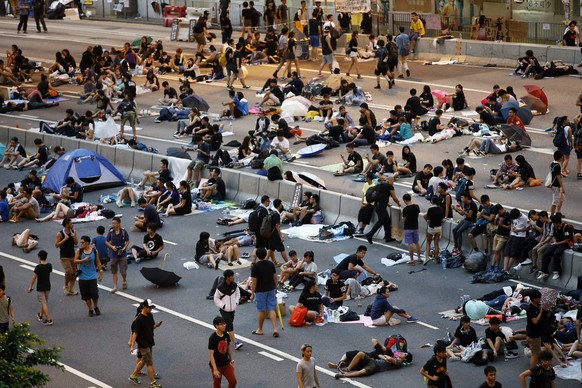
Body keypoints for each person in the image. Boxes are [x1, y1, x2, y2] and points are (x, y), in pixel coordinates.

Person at [128, 299, 162, 388]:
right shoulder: (138, 319)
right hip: (143, 344)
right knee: (149, 363)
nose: (150, 309)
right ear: (144, 307)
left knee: (143, 360)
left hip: (150, 341)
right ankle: (153, 382)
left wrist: (156, 326)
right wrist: (132, 345)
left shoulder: (150, 315)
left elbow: (151, 327)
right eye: (149, 307)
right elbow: (135, 333)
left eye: (151, 307)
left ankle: (133, 375)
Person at [250, 247, 279, 337]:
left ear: (257, 256)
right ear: (266, 254)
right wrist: (276, 286)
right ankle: (275, 328)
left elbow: (254, 281)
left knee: (261, 310)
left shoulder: (255, 267)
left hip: (260, 291)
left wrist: (252, 293)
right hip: (271, 288)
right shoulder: (270, 264)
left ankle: (260, 329)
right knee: (271, 309)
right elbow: (275, 277)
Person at [214, 269, 243, 351]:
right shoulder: (220, 288)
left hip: (232, 309)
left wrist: (236, 302)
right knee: (230, 325)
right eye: (232, 276)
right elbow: (216, 298)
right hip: (224, 310)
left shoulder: (234, 285)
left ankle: (223, 338)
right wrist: (223, 306)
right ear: (228, 278)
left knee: (227, 326)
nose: (233, 277)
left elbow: (238, 294)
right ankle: (236, 343)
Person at [73, 235, 103, 317]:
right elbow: (75, 261)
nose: (81, 244)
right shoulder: (79, 251)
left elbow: (98, 262)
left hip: (92, 275)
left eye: (82, 242)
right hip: (82, 276)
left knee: (94, 293)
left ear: (87, 242)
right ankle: (90, 309)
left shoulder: (94, 251)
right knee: (86, 295)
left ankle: (95, 306)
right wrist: (83, 260)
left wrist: (100, 272)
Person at [366, 178, 401, 244]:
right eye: (393, 181)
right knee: (381, 221)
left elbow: (380, 196)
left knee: (387, 221)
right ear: (390, 181)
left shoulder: (381, 185)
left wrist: (387, 203)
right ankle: (370, 234)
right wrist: (398, 203)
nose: (393, 183)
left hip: (377, 206)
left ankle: (388, 237)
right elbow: (394, 197)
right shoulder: (389, 186)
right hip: (381, 207)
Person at [208, 315, 237, 388]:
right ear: (216, 326)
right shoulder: (213, 338)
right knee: (217, 384)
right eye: (221, 324)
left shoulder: (226, 335)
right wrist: (215, 369)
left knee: (233, 381)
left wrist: (231, 360)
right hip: (217, 366)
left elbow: (228, 347)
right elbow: (211, 354)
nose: (224, 325)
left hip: (226, 364)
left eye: (224, 324)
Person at [27, 250, 53, 326]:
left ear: (39, 257)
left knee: (43, 303)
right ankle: (40, 315)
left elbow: (34, 278)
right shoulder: (49, 265)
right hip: (48, 286)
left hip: (40, 287)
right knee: (44, 302)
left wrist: (30, 287)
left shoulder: (38, 267)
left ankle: (49, 319)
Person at [105, 217, 130, 293]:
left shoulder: (123, 232)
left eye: (115, 223)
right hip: (113, 254)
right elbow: (106, 242)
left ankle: (124, 280)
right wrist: (112, 247)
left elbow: (127, 241)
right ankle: (115, 286)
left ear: (119, 223)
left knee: (123, 271)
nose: (113, 225)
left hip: (122, 254)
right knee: (114, 271)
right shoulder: (111, 232)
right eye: (112, 223)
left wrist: (124, 248)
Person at [55, 217, 78, 295]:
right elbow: (56, 245)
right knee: (69, 272)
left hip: (73, 255)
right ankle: (65, 285)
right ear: (66, 225)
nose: (72, 224)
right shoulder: (60, 233)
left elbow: (76, 243)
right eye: (71, 223)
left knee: (74, 273)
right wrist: (65, 239)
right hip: (64, 256)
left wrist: (74, 236)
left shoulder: (73, 231)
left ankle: (71, 289)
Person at [452, 191, 478, 256]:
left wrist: (461, 210)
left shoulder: (472, 204)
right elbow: (463, 214)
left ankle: (459, 249)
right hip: (466, 219)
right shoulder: (465, 203)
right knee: (454, 230)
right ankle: (455, 246)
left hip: (471, 221)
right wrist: (456, 210)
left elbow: (469, 215)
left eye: (462, 197)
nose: (461, 199)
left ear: (466, 197)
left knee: (459, 231)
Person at [402, 194, 422, 265]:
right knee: (416, 242)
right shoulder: (416, 207)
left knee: (410, 244)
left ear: (404, 200)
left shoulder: (405, 209)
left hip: (408, 228)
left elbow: (404, 220)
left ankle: (412, 260)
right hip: (415, 227)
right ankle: (419, 258)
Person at [549, 151, 565, 216]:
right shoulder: (557, 166)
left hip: (554, 184)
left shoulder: (553, 163)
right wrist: (562, 187)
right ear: (561, 157)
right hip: (556, 185)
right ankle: (552, 215)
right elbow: (558, 177)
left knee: (562, 198)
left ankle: (558, 212)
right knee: (555, 202)